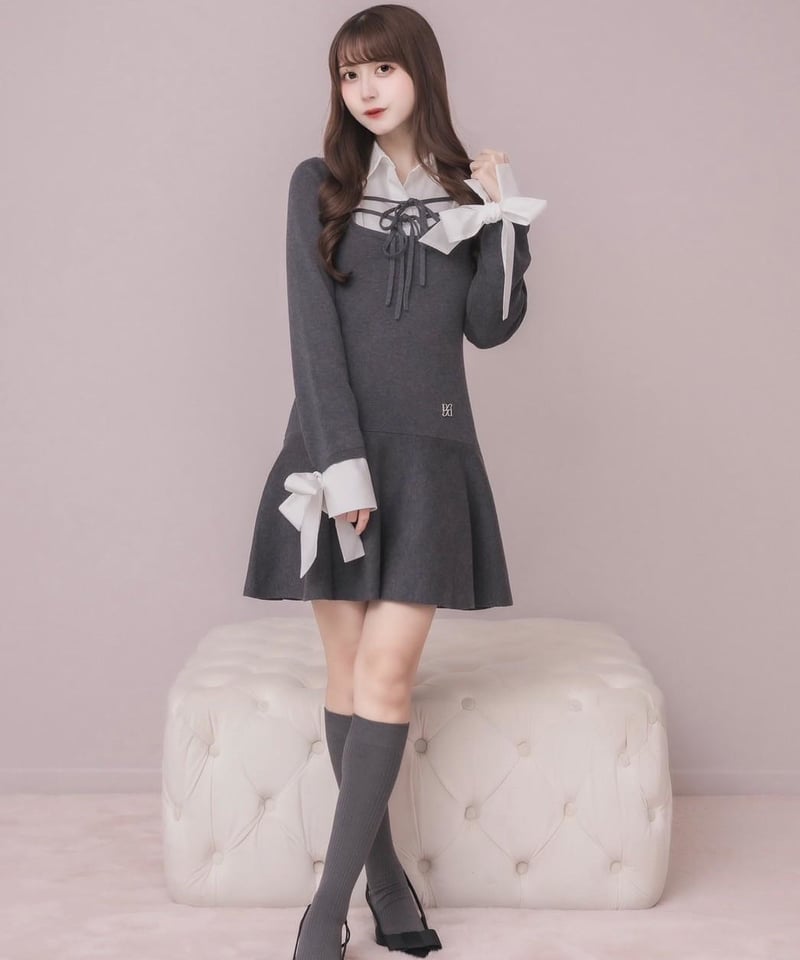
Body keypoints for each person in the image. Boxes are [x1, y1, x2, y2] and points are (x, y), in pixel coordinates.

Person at [242, 4, 542, 957]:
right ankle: (384, 887)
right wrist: (342, 468)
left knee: (387, 670)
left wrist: (501, 214)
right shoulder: (319, 185)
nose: (365, 90)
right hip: (334, 453)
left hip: (433, 457)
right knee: (348, 673)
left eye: (382, 69)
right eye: (349, 74)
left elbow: (492, 326)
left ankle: (323, 912)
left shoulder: (464, 192)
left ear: (421, 72)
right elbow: (312, 339)